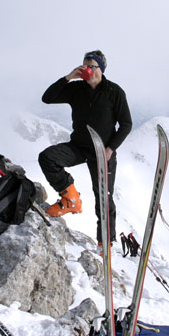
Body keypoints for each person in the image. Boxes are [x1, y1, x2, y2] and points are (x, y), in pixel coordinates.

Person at [38, 50, 132, 247]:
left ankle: (104, 243)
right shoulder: (76, 89)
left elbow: (126, 124)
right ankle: (70, 198)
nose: (86, 69)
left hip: (102, 153)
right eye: (84, 64)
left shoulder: (114, 92)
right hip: (78, 146)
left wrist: (110, 148)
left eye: (91, 65)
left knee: (103, 197)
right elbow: (47, 98)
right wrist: (69, 77)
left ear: (100, 69)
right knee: (47, 157)